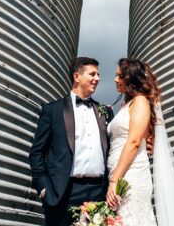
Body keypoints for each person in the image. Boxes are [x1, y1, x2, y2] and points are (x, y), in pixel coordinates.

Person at [29, 57, 114, 226]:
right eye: (93, 74)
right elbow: (37, 153)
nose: (98, 78)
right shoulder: (52, 110)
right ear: (77, 76)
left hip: (98, 192)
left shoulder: (105, 112)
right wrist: (43, 187)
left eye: (98, 74)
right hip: (63, 192)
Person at [106, 58, 174, 225]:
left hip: (131, 175)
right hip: (119, 173)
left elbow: (134, 141)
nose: (115, 80)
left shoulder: (141, 101)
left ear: (129, 78)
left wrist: (115, 180)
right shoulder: (127, 104)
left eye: (119, 76)